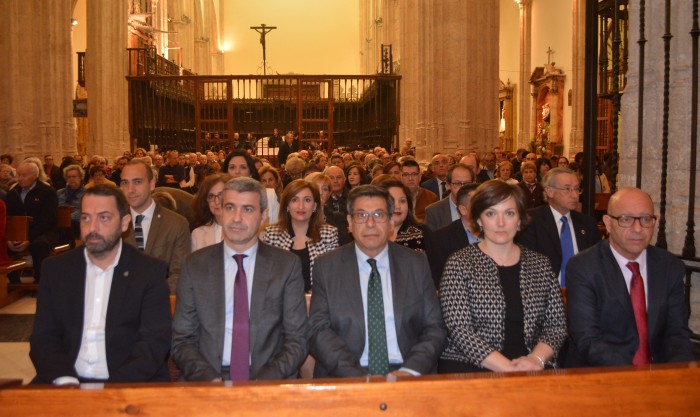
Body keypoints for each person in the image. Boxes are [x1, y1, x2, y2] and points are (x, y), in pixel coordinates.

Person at [29, 184, 171, 384]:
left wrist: (110, 393)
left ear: (124, 223)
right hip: (66, 379)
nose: (92, 227)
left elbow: (154, 343)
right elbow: (43, 338)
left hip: (128, 382)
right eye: (86, 217)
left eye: (103, 217)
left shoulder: (148, 272)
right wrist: (65, 381)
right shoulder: (56, 269)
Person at [172, 177, 308, 381]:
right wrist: (211, 380)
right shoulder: (195, 265)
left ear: (263, 216)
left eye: (247, 209)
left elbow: (297, 341)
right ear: (220, 211)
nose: (236, 218)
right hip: (207, 377)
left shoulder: (286, 266)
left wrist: (260, 384)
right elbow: (182, 340)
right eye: (230, 208)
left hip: (268, 377)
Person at [308, 185, 446, 378]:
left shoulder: (416, 263)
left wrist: (410, 370)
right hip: (346, 374)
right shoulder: (327, 266)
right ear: (349, 222)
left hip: (407, 370)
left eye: (379, 215)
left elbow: (435, 327)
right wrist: (355, 375)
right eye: (361, 215)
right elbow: (318, 329)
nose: (370, 223)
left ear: (390, 221)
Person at [439, 180, 566, 373]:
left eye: (509, 213)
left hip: (532, 365)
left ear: (520, 219)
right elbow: (460, 330)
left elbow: (556, 326)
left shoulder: (540, 264)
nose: (500, 223)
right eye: (491, 214)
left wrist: (536, 359)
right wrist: (510, 369)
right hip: (470, 366)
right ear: (479, 220)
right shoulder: (459, 263)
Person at [565, 188, 693, 367]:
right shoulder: (583, 267)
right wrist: (638, 377)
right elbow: (589, 340)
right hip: (601, 374)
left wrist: (675, 376)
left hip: (659, 375)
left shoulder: (669, 266)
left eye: (646, 219)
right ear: (608, 223)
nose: (638, 229)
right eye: (626, 219)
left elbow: (677, 334)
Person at [517, 168, 600, 287]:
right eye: (567, 189)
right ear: (550, 191)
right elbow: (528, 266)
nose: (575, 195)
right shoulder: (531, 221)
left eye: (577, 189)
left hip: (583, 293)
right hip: (544, 293)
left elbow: (596, 263)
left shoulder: (587, 223)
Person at [120, 159, 191, 294]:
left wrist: (151, 297)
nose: (130, 190)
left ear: (152, 184)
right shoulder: (113, 223)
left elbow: (179, 273)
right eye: (125, 183)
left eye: (137, 182)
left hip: (161, 303)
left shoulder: (177, 223)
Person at [262, 180, 338, 292]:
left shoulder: (329, 234)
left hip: (316, 303)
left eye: (307, 200)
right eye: (294, 200)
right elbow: (267, 279)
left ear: (315, 206)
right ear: (287, 205)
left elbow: (332, 279)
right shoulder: (272, 234)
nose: (301, 206)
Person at [6, 161, 59, 283]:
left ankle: (41, 281)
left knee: (39, 244)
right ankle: (13, 280)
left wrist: (28, 239)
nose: (19, 178)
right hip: (18, 232)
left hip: (44, 231)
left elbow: (48, 220)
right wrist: (9, 238)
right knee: (2, 244)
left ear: (35, 175)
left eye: (23, 175)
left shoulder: (47, 192)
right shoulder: (12, 193)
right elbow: (8, 218)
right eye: (18, 175)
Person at [425, 184, 480, 287]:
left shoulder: (496, 234)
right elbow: (438, 279)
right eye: (478, 203)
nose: (485, 207)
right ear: (463, 209)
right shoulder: (440, 238)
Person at [221, 150, 280, 224]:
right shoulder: (219, 197)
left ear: (251, 173)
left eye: (243, 167)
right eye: (232, 167)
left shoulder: (269, 195)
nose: (237, 171)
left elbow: (278, 229)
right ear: (226, 172)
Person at [373, 177, 425, 252]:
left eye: (402, 201)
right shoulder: (368, 235)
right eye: (391, 200)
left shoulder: (423, 235)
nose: (397, 206)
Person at [424, 164, 475, 231]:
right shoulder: (433, 211)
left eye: (467, 183)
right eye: (457, 183)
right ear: (448, 185)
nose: (463, 187)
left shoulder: (482, 208)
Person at [190, 174, 229, 251]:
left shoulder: (249, 230)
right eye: (210, 197)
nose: (217, 201)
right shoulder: (197, 234)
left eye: (221, 194)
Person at [56, 164, 86, 239]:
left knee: (70, 225)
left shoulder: (87, 193)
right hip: (60, 221)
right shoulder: (60, 192)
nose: (71, 179)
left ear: (80, 177)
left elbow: (84, 211)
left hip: (77, 222)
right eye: (69, 177)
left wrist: (67, 218)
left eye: (74, 176)